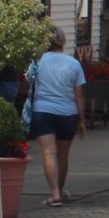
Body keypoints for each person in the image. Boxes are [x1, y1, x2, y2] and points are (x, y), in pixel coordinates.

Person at [27, 26, 85, 207]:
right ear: (63, 41)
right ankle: (60, 190)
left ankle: (54, 194)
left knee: (48, 152)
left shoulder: (38, 61)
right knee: (63, 154)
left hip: (43, 110)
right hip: (67, 113)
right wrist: (82, 120)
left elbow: (30, 81)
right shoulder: (74, 64)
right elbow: (79, 95)